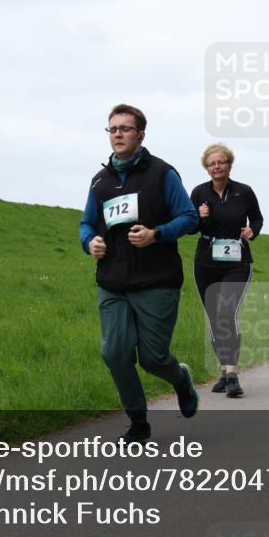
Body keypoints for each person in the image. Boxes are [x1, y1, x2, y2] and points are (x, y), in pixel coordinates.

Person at [79, 103, 200, 445]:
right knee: (114, 351)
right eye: (112, 129)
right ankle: (138, 422)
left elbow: (189, 218)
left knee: (153, 358)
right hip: (113, 283)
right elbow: (87, 222)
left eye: (124, 129)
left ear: (140, 134)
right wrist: (90, 243)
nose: (117, 134)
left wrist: (156, 234)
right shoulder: (100, 181)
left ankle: (181, 380)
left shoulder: (162, 174)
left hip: (156, 281)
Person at [190, 144, 264, 398]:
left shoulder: (244, 192)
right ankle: (223, 370)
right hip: (206, 263)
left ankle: (232, 375)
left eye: (221, 162)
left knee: (225, 313)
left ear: (229, 165)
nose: (216, 167)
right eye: (212, 163)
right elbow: (189, 226)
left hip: (237, 261)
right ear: (207, 167)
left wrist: (252, 231)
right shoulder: (199, 192)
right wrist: (198, 216)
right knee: (214, 318)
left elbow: (257, 218)